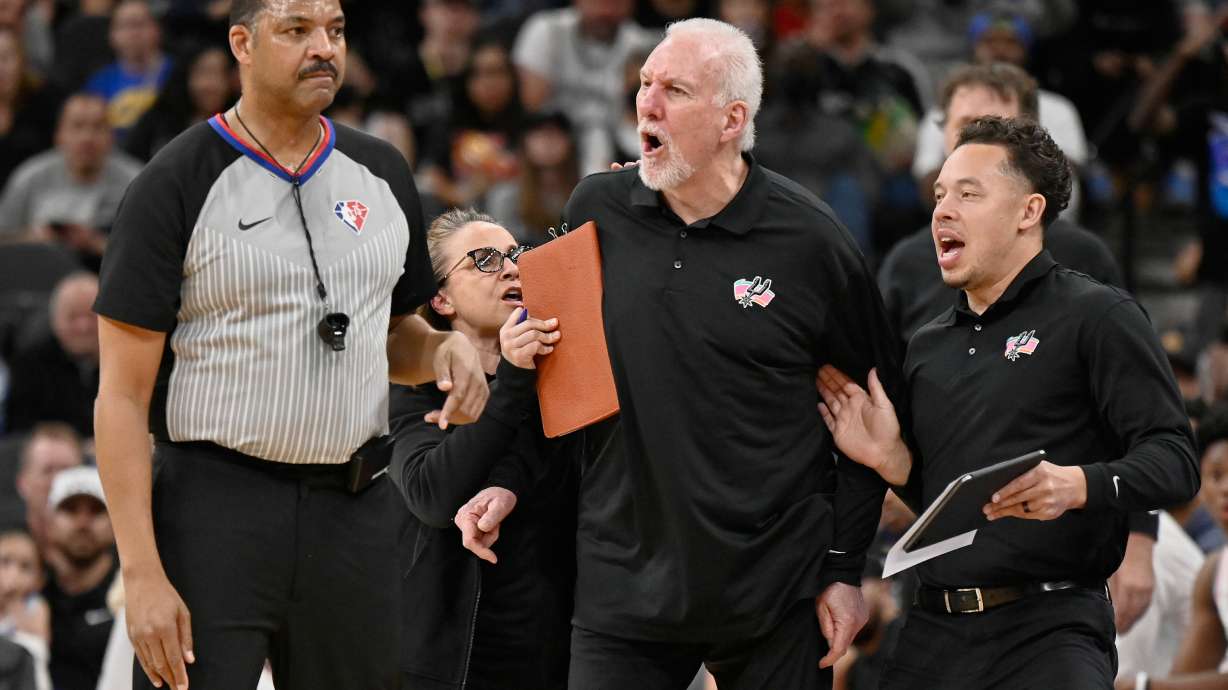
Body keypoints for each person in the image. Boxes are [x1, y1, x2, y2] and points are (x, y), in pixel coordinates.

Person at [489, 18, 904, 689]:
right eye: (644, 84)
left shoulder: (812, 243)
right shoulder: (596, 206)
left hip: (775, 589)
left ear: (731, 119)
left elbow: (873, 416)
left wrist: (842, 568)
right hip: (622, 585)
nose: (646, 104)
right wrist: (508, 478)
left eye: (674, 91)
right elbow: (560, 377)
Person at [90, 1, 490, 689]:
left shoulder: (383, 171)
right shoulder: (173, 183)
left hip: (357, 508)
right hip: (214, 507)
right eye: (297, 30)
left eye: (335, 30)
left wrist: (442, 352)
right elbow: (120, 398)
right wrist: (141, 574)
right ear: (241, 43)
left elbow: (393, 334)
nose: (324, 48)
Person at [817, 115, 1200, 689]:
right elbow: (959, 509)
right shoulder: (927, 346)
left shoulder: (1098, 315)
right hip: (933, 627)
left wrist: (1079, 485)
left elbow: (1176, 460)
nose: (942, 210)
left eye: (969, 195)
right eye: (940, 195)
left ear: (1029, 212)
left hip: (1050, 628)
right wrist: (892, 461)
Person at [389, 208, 574, 690]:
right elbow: (432, 494)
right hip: (444, 659)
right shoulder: (417, 387)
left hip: (551, 646)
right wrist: (512, 379)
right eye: (485, 260)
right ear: (440, 297)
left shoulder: (565, 380)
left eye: (516, 254)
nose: (513, 268)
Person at [879, 62, 1121, 345]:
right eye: (967, 126)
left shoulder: (1084, 256)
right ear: (943, 136)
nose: (978, 144)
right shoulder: (906, 265)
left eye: (998, 127)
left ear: (1033, 138)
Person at [512, 0, 657, 174]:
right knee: (542, 143)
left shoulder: (638, 43)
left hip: (614, 135)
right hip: (556, 131)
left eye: (616, 3)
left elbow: (638, 111)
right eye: (598, 2)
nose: (606, 11)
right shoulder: (547, 30)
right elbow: (532, 103)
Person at [0, 93, 141, 255]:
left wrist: (95, 243)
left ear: (111, 136)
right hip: (38, 269)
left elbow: (152, 250)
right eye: (77, 126)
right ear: (59, 135)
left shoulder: (135, 181)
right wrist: (33, 239)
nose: (87, 137)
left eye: (98, 127)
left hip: (106, 273)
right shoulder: (30, 176)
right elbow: (3, 238)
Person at [41, 466, 116, 690]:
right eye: (70, 510)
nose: (83, 523)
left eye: (96, 511)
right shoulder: (31, 593)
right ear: (49, 522)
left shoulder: (133, 596)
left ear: (115, 522)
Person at [4, 273, 100, 437]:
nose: (83, 327)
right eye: (73, 317)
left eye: (91, 316)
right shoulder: (29, 364)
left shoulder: (127, 362)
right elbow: (19, 429)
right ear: (55, 319)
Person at [123, 44, 237, 162]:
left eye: (222, 73)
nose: (214, 84)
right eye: (205, 72)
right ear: (185, 75)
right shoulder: (158, 120)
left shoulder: (242, 125)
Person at [84, 0, 172, 140]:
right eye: (124, 26)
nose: (133, 33)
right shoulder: (99, 82)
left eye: (139, 24)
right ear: (112, 35)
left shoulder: (176, 74)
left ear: (156, 30)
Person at [12, 424, 84, 557]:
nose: (57, 481)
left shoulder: (107, 556)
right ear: (23, 483)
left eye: (66, 471)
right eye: (47, 470)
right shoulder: (6, 549)